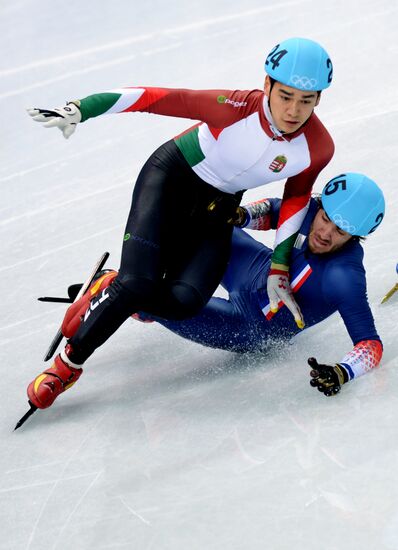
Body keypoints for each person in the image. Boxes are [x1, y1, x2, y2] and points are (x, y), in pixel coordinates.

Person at [26, 37, 335, 405]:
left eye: (307, 100)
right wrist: (81, 108)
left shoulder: (318, 146)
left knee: (185, 303)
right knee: (137, 283)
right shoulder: (234, 107)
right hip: (170, 180)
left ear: (319, 99)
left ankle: (109, 288)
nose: (294, 110)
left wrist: (279, 266)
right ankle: (67, 366)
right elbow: (153, 97)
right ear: (266, 85)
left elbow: (296, 198)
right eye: (285, 96)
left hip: (217, 209)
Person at [27, 173, 385, 405]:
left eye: (340, 232)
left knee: (151, 302)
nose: (325, 232)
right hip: (255, 268)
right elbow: (277, 210)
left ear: (357, 237)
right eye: (325, 219)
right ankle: (135, 280)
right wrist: (241, 215)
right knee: (206, 222)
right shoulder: (315, 213)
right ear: (320, 206)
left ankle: (117, 290)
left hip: (248, 326)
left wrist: (342, 371)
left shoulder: (346, 276)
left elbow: (370, 344)